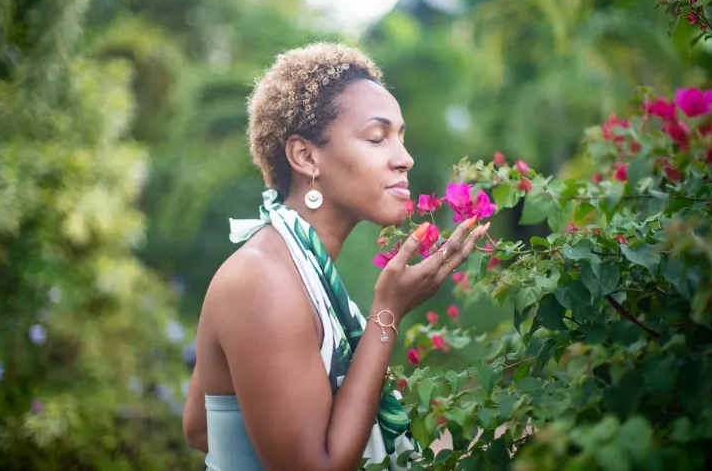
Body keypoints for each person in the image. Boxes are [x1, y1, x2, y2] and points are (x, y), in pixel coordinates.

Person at [182, 42, 489, 471]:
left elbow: (201, 426)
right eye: (377, 138)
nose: (405, 159)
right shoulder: (263, 279)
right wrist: (388, 312)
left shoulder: (292, 264)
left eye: (401, 138)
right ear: (306, 156)